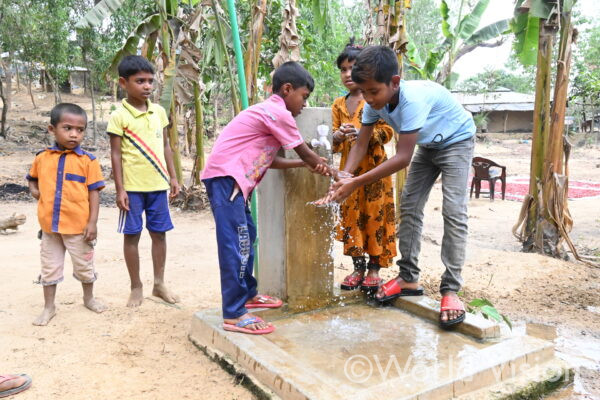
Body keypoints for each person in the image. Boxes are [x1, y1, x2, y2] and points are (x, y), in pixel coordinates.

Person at [325, 46, 476, 329]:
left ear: (394, 82)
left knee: (453, 211)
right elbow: (359, 144)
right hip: (430, 144)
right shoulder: (373, 103)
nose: (369, 99)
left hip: (456, 139)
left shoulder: (413, 100)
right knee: (410, 206)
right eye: (364, 93)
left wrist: (355, 181)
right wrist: (344, 176)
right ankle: (408, 276)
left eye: (373, 92)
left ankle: (451, 289)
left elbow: (402, 157)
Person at [201, 61, 332, 335]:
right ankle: (234, 314)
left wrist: (304, 164)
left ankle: (248, 294)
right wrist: (326, 169)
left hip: (230, 180)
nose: (304, 106)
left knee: (247, 236)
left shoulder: (267, 113)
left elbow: (270, 161)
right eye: (303, 97)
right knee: (236, 244)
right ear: (287, 89)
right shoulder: (277, 111)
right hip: (227, 179)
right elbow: (304, 151)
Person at [107, 55, 181, 307]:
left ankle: (159, 283)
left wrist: (173, 177)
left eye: (150, 81)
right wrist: (120, 190)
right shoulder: (119, 116)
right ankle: (136, 286)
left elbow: (167, 146)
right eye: (140, 81)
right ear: (123, 83)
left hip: (158, 187)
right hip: (133, 190)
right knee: (132, 236)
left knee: (159, 234)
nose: (147, 86)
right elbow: (115, 154)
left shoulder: (159, 112)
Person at [27, 103, 107, 326]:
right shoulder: (42, 158)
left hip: (79, 229)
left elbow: (94, 193)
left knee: (84, 265)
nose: (74, 134)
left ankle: (88, 298)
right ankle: (49, 307)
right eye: (67, 128)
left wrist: (92, 223)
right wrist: (35, 191)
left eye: (80, 130)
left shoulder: (88, 162)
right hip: (49, 228)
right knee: (49, 267)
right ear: (52, 129)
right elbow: (32, 178)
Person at [331, 40, 397, 292]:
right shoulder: (338, 104)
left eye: (352, 68)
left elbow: (388, 130)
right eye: (343, 69)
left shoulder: (375, 99)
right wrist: (337, 136)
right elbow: (334, 141)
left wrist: (364, 134)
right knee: (352, 219)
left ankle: (374, 269)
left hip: (374, 172)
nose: (347, 74)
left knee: (375, 218)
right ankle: (357, 267)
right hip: (348, 171)